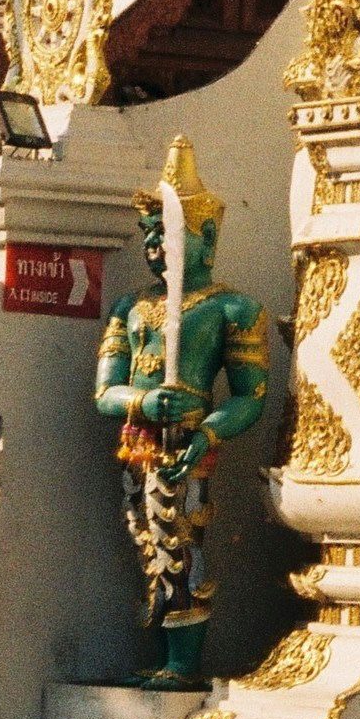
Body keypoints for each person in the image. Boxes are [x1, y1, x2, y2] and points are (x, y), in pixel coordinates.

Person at [92, 137, 269, 689]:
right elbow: (105, 392)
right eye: (149, 236)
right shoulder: (130, 307)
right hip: (138, 441)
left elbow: (251, 394)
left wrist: (211, 432)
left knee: (181, 538)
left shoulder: (231, 309)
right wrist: (142, 400)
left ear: (206, 237)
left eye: (166, 234)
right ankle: (168, 655)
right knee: (147, 542)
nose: (155, 246)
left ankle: (184, 663)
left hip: (187, 444)